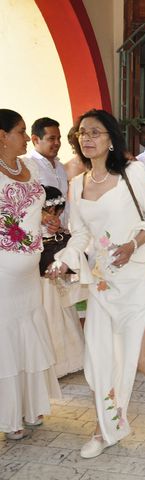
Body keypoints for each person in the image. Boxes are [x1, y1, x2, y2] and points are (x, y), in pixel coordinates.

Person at [48, 109, 145, 459]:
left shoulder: (132, 173)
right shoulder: (76, 184)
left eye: (96, 132)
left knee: (136, 355)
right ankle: (105, 428)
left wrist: (133, 243)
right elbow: (81, 235)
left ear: (111, 138)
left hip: (136, 278)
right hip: (102, 284)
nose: (87, 138)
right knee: (100, 358)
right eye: (83, 133)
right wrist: (63, 260)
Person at [0, 108, 61, 440]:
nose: (26, 137)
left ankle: (27, 405)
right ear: (2, 136)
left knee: (28, 331)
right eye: (21, 131)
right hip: (3, 270)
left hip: (28, 266)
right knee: (5, 337)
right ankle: (8, 416)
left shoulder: (24, 166)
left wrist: (44, 220)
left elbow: (27, 209)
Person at [39, 186, 87, 378]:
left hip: (52, 283)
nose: (51, 216)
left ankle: (65, 362)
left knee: (61, 317)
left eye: (55, 212)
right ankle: (55, 363)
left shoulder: (61, 233)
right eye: (47, 211)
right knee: (51, 318)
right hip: (41, 283)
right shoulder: (35, 234)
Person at [26, 117, 68, 226]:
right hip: (39, 236)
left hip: (63, 234)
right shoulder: (28, 165)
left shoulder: (60, 167)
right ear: (35, 140)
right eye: (51, 138)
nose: (57, 143)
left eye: (59, 138)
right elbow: (25, 205)